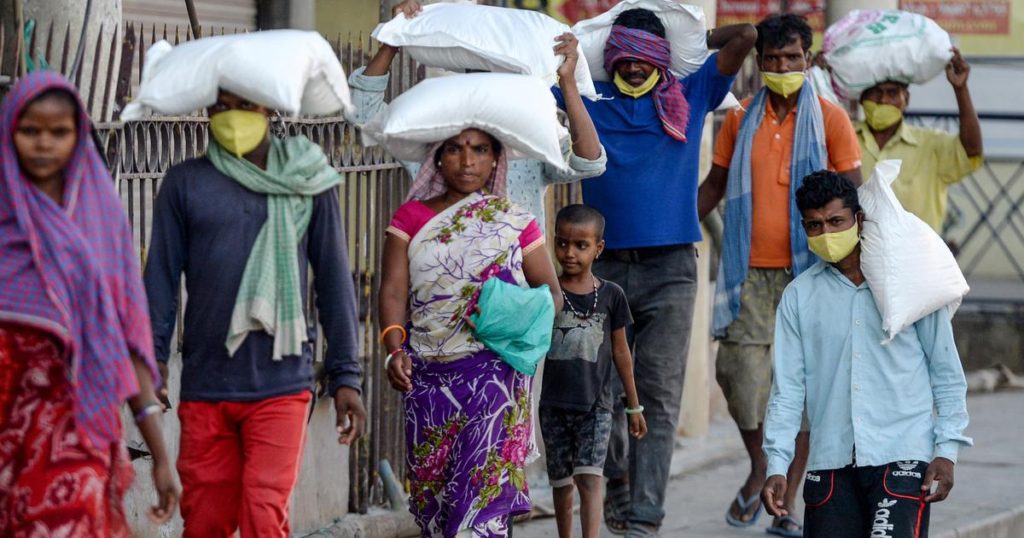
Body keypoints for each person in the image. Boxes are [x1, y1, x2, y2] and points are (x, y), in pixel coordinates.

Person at [551, 8, 756, 536]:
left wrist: (692, 41)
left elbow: (747, 35)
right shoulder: (588, 97)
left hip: (671, 270)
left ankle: (643, 516)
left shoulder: (690, 93)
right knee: (604, 391)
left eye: (648, 58)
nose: (637, 68)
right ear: (612, 56)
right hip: (603, 271)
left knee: (657, 395)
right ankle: (617, 481)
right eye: (627, 56)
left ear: (662, 60)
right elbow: (531, 75)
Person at [144, 89, 367, 537]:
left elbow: (333, 280)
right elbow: (160, 283)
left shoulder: (308, 180)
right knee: (206, 520)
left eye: (243, 105)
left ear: (268, 108)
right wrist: (152, 367)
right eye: (219, 107)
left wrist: (346, 376)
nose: (230, 117)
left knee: (264, 515)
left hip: (281, 383)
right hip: (207, 384)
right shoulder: (185, 182)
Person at [696, 13, 862, 536]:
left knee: (807, 390)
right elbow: (714, 187)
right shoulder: (740, 117)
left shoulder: (832, 119)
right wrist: (671, 230)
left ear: (807, 61)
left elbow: (854, 200)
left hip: (811, 275)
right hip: (748, 276)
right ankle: (760, 467)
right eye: (773, 60)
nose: (783, 67)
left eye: (793, 58)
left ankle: (784, 501)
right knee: (741, 380)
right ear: (760, 63)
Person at [0, 71, 178, 534]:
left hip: (76, 442)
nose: (43, 143)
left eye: (58, 132)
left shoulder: (102, 226)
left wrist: (161, 456)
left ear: (78, 136)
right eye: (29, 130)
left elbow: (125, 343)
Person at [761, 170, 973, 538]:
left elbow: (946, 372)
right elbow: (788, 392)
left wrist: (947, 449)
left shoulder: (907, 285)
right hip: (830, 459)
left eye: (835, 221)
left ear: (857, 219)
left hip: (903, 454)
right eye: (814, 226)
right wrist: (777, 465)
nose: (826, 234)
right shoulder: (799, 297)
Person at [379, 127, 562, 537]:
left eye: (480, 150)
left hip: (493, 377)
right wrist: (394, 348)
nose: (467, 161)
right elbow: (392, 289)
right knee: (435, 505)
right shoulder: (410, 218)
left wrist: (501, 310)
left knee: (479, 508)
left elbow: (551, 294)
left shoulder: (514, 223)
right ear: (438, 156)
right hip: (426, 376)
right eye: (456, 150)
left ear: (496, 158)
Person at [348, 0, 606, 229]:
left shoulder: (531, 140)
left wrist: (568, 81)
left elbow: (589, 163)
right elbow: (363, 113)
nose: (467, 162)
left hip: (513, 281)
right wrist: (393, 40)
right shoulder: (436, 138)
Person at [541, 204, 647, 538]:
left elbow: (621, 353)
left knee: (589, 478)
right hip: (552, 406)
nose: (569, 253)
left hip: (596, 406)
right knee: (560, 482)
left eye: (580, 246)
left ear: (598, 248)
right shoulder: (548, 294)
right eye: (562, 243)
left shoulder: (612, 296)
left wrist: (633, 406)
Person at [854, 47, 983, 234]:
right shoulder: (845, 136)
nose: (883, 99)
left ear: (906, 99)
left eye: (892, 93)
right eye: (875, 92)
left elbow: (971, 151)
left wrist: (960, 89)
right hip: (859, 257)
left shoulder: (930, 143)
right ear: (861, 98)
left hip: (918, 257)